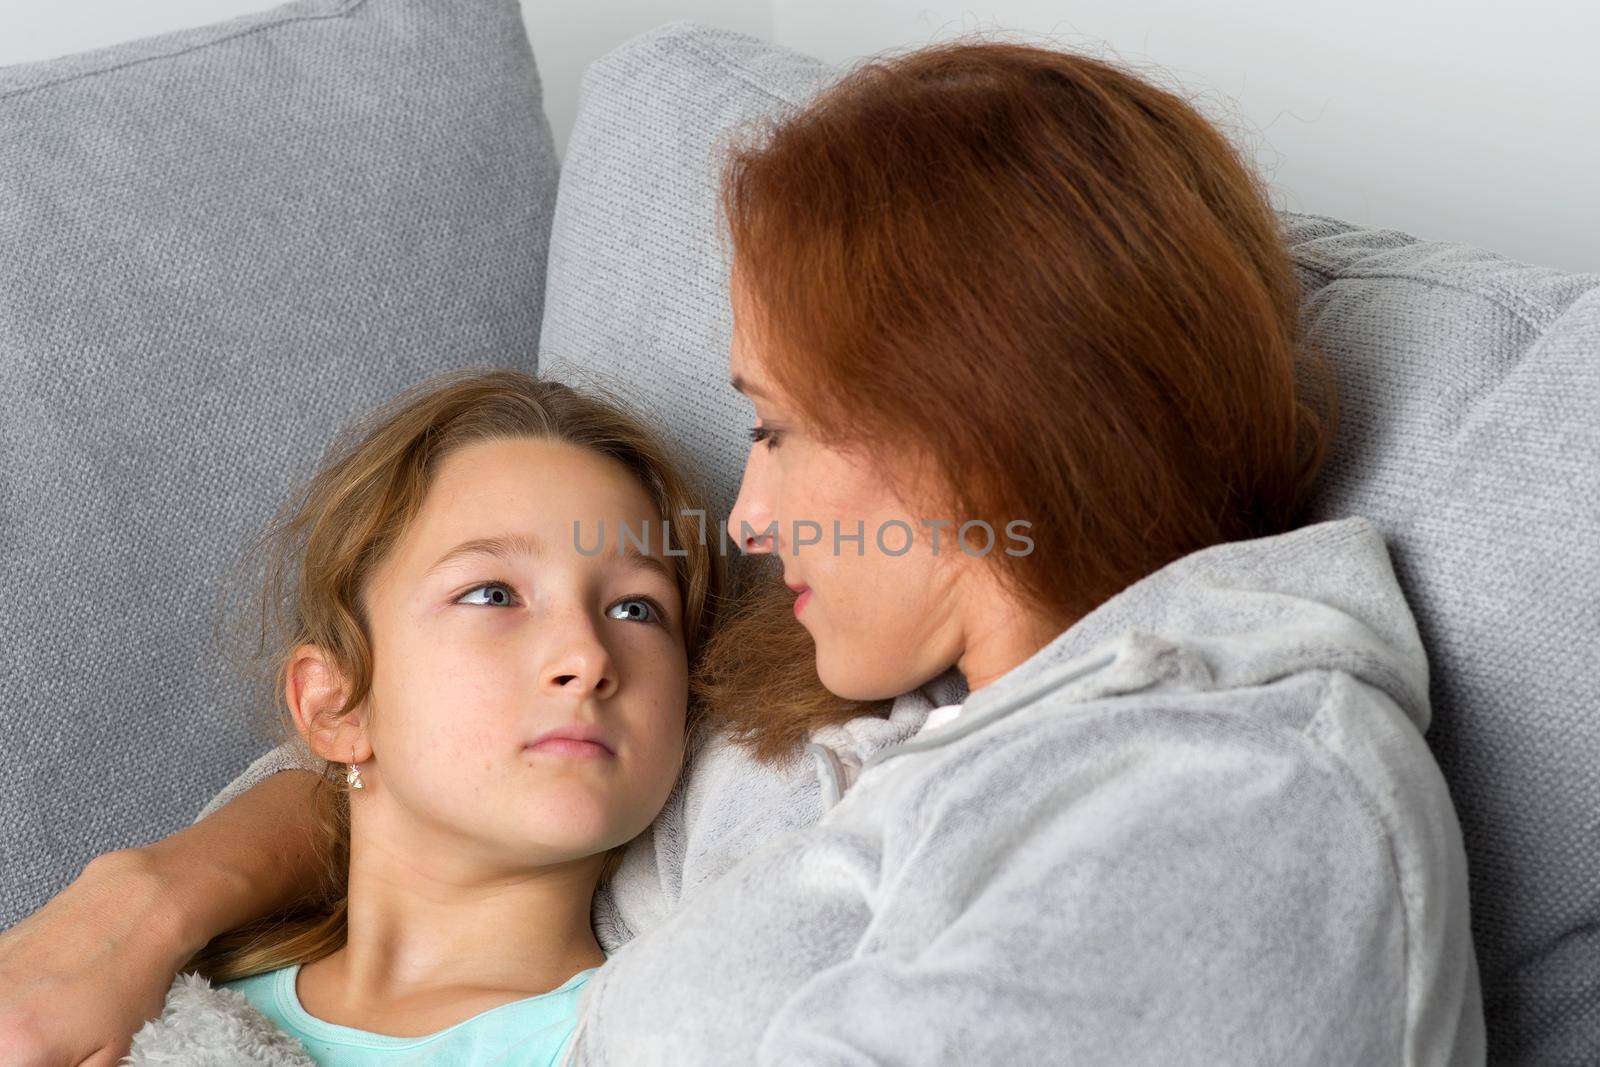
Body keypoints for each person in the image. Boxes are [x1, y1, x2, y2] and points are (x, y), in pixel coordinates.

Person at [0, 35, 1485, 1066]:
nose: (753, 520)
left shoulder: (1240, 805)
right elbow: (413, 772)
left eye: (776, 427)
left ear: (958, 428)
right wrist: (148, 893)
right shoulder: (841, 702)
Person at [99, 368, 725, 1065]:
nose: (587, 654)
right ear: (335, 704)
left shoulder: (675, 1038)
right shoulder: (145, 1017)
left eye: (635, 608)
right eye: (493, 594)